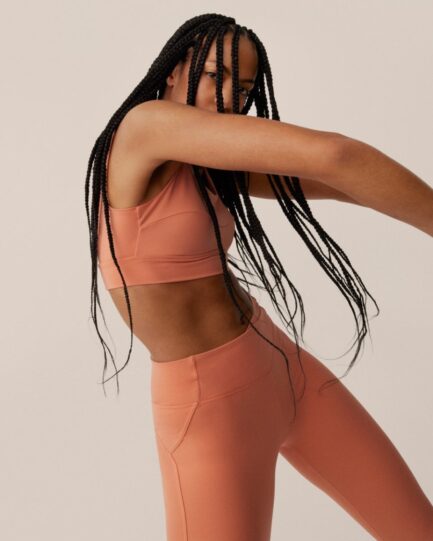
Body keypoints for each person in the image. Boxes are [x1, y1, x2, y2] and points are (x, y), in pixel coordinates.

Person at [85, 13, 433, 541]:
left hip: (284, 367)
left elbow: (340, 181)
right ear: (175, 69)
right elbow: (337, 156)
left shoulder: (208, 163)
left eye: (245, 89)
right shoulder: (146, 126)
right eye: (216, 76)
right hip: (208, 408)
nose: (231, 97)